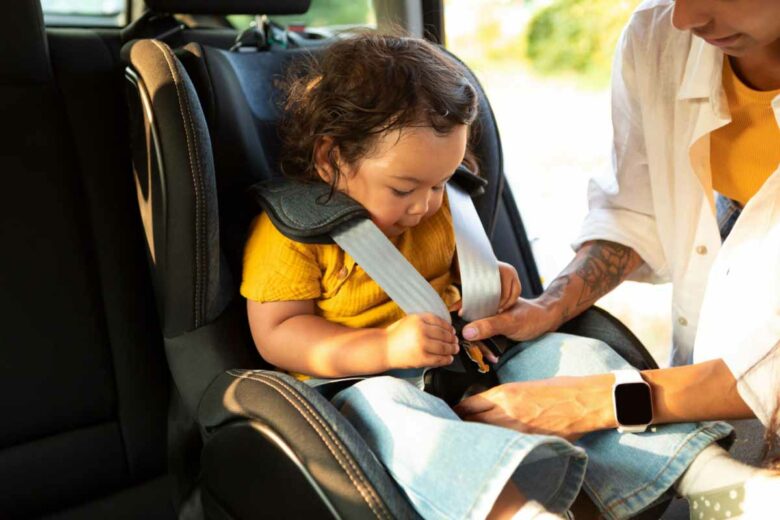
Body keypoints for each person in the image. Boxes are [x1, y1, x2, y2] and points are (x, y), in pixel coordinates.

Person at [240, 32, 737, 519]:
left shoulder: (437, 210)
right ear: (332, 158)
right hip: (364, 383)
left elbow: (451, 274)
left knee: (572, 356)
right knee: (393, 416)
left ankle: (711, 479)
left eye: (439, 183)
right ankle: (517, 512)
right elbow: (276, 332)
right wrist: (383, 348)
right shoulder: (292, 235)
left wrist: (490, 282)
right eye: (404, 187)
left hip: (471, 363)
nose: (426, 204)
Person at [456, 0, 779, 516]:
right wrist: (551, 306)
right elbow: (636, 208)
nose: (685, 18)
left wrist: (599, 399)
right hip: (714, 412)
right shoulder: (659, 39)